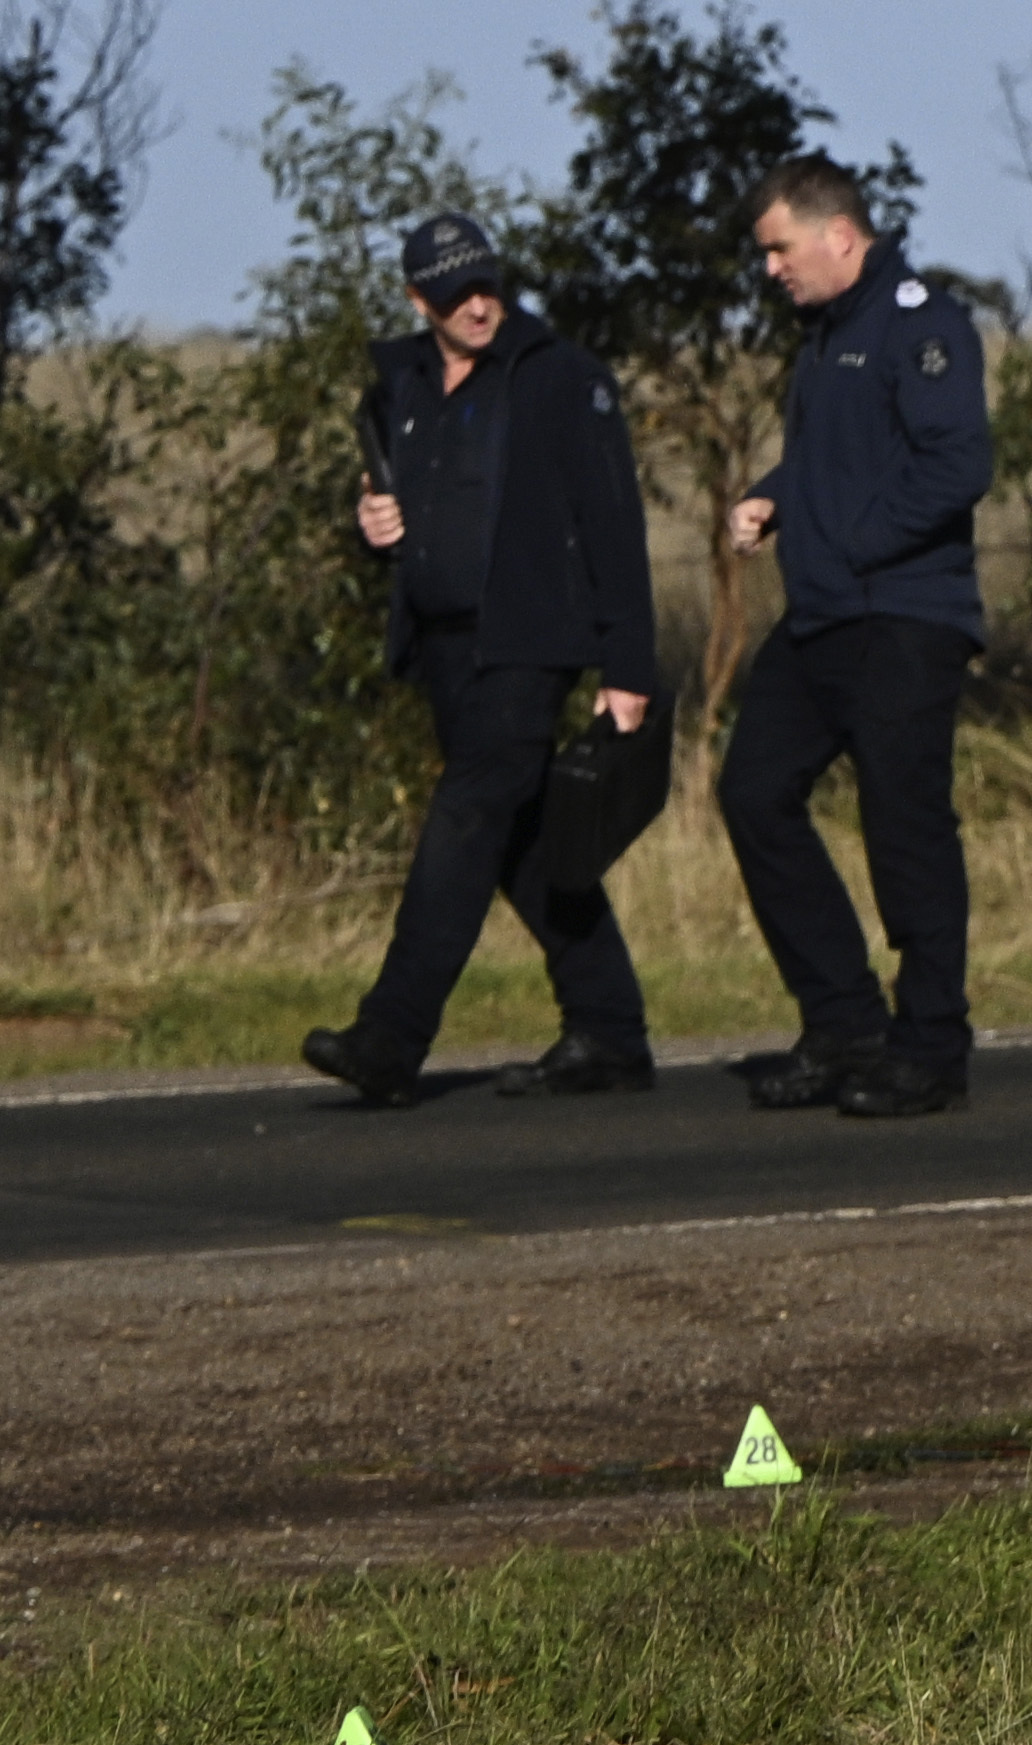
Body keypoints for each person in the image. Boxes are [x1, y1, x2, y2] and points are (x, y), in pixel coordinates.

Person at [305, 207, 666, 1106]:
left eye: (486, 283)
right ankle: (610, 1030)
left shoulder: (563, 380)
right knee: (524, 844)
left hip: (531, 639)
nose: (476, 303)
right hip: (444, 646)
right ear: (415, 296)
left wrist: (630, 666)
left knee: (466, 818)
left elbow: (615, 525)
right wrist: (374, 527)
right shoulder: (399, 389)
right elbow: (398, 511)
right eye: (454, 290)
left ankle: (391, 1039)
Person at [714, 154, 993, 1116]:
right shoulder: (826, 335)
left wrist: (856, 539)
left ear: (839, 234)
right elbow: (830, 461)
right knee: (753, 793)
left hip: (907, 615)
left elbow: (958, 464)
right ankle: (842, 1024)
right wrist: (771, 499)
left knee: (904, 826)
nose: (771, 271)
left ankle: (929, 1047)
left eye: (780, 250)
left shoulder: (921, 324)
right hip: (826, 615)